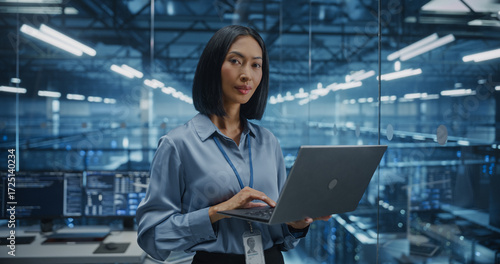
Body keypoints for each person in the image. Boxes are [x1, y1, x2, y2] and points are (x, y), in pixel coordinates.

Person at [136, 25, 330, 264]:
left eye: (256, 65)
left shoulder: (268, 142)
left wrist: (296, 224)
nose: (247, 74)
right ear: (212, 67)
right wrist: (218, 211)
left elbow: (284, 239)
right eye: (236, 61)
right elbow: (152, 236)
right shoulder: (177, 145)